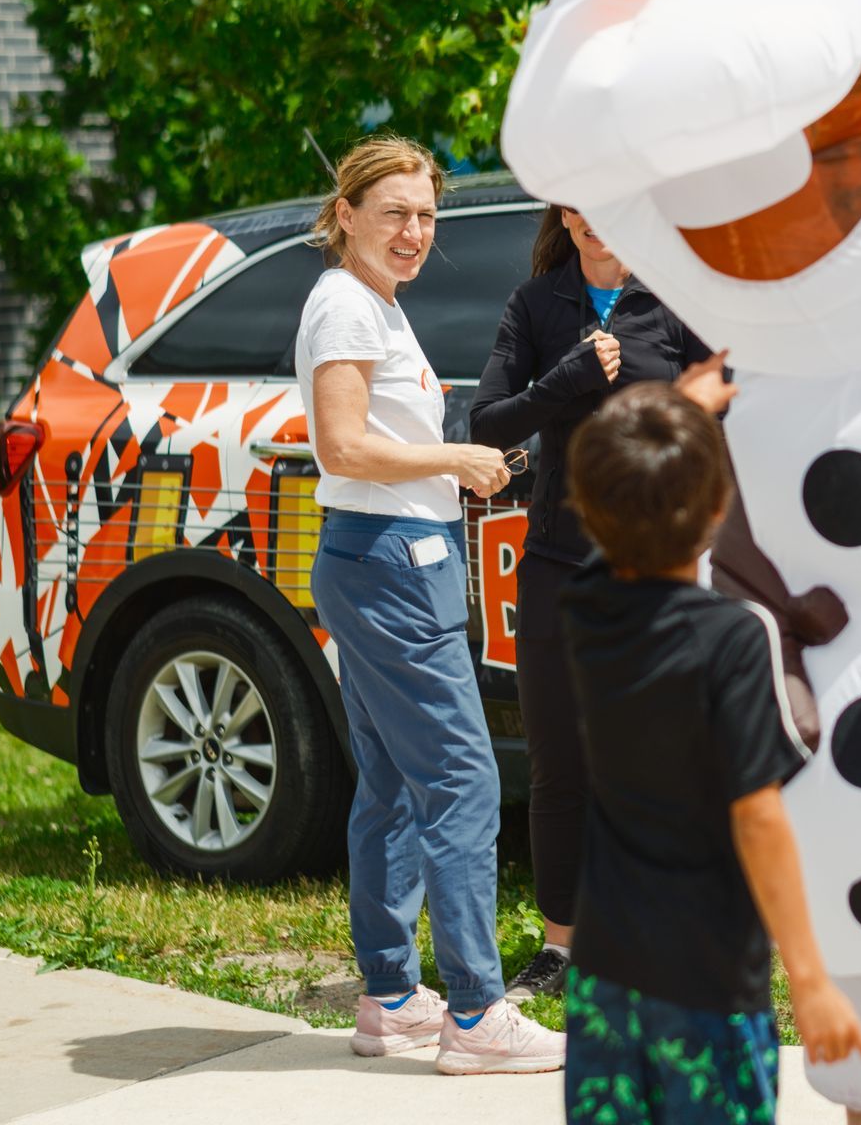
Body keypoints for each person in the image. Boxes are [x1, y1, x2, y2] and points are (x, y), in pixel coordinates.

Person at [295, 135, 565, 1075]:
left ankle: (394, 998)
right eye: (395, 214)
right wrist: (455, 460)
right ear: (346, 216)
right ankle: (480, 1016)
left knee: (396, 785)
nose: (415, 232)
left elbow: (372, 448)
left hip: (385, 557)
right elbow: (342, 447)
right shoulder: (345, 309)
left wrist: (458, 476)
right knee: (462, 781)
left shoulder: (373, 304)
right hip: (392, 567)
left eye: (425, 216)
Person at [557, 380, 861, 1122]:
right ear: (716, 511)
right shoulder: (735, 638)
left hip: (604, 970)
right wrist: (810, 979)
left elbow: (604, 537)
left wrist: (679, 409)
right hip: (706, 982)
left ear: (588, 508)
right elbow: (757, 816)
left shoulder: (584, 611)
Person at [469, 204, 710, 1001]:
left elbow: (728, 409)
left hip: (655, 572)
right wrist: (562, 382)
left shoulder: (674, 303)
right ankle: (562, 949)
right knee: (560, 765)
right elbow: (490, 424)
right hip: (558, 566)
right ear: (565, 213)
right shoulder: (535, 306)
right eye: (586, 201)